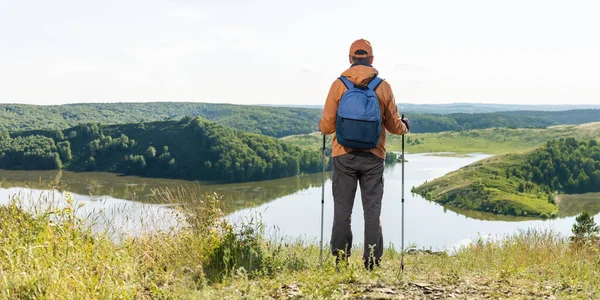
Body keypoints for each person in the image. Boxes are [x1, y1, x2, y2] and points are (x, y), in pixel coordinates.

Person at [318, 38, 410, 270]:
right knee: (372, 211)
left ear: (350, 59)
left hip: (343, 155)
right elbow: (394, 127)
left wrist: (322, 126)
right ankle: (371, 260)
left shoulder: (338, 85)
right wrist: (405, 126)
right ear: (371, 59)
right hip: (373, 156)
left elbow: (327, 127)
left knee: (342, 211)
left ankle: (340, 259)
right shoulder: (383, 86)